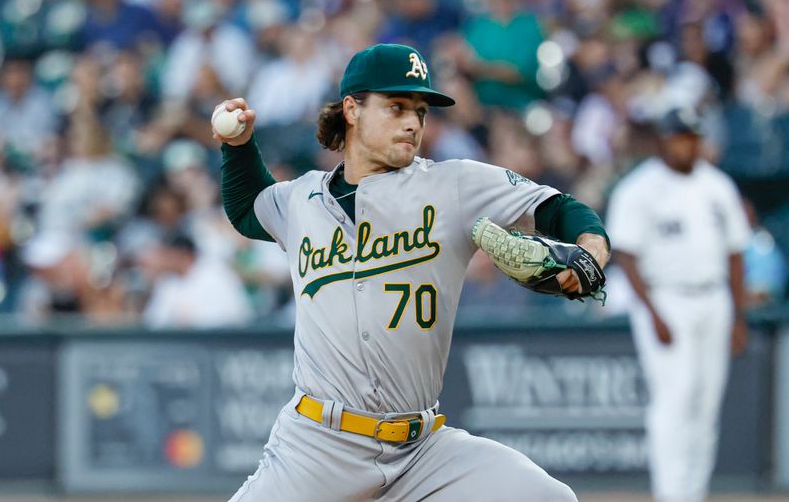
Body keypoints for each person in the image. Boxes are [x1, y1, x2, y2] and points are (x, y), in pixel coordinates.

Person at [216, 43, 610, 501]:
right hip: (317, 449)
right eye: (396, 106)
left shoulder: (452, 184)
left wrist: (592, 250)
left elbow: (556, 206)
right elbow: (248, 206)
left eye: (420, 111)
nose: (412, 122)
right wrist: (239, 147)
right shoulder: (300, 200)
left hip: (422, 452)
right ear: (352, 109)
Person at [605, 108, 751, 502]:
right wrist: (653, 313)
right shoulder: (639, 189)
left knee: (706, 402)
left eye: (691, 136)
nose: (686, 144)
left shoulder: (717, 185)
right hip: (665, 297)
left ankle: (694, 491)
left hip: (713, 297)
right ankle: (672, 494)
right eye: (678, 136)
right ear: (662, 140)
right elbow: (627, 256)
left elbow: (736, 254)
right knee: (675, 398)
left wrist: (738, 316)